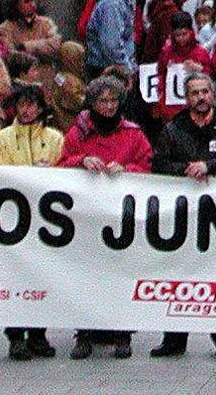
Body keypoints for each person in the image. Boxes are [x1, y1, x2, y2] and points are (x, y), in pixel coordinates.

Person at [151, 73, 216, 359]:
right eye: (194, 92)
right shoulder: (174, 128)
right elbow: (159, 163)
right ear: (187, 98)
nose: (200, 97)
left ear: (213, 94)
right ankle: (174, 339)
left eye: (205, 91)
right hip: (183, 214)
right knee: (179, 273)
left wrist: (209, 166)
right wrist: (186, 169)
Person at [57, 76, 152, 359]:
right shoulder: (77, 133)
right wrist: (81, 161)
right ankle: (83, 333)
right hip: (86, 218)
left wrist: (127, 170)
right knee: (84, 276)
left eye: (113, 101)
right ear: (93, 103)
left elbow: (148, 167)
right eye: (103, 101)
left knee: (120, 274)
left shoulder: (134, 134)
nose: (109, 107)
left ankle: (122, 333)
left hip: (121, 219)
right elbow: (61, 165)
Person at [0, 83, 62, 360]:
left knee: (42, 276)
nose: (27, 110)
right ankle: (16, 335)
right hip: (12, 219)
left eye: (32, 105)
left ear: (41, 108)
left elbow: (66, 170)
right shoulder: (2, 139)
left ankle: (39, 333)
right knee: (12, 277)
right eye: (22, 105)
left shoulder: (54, 138)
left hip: (45, 221)